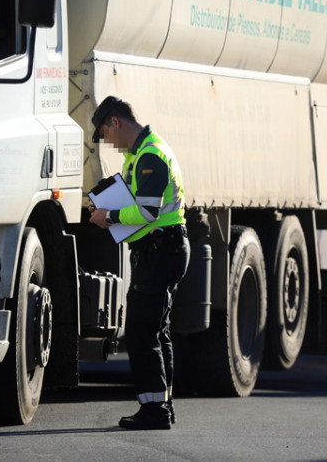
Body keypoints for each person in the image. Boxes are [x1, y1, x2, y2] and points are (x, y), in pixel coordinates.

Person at [88, 96, 189, 430]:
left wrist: (109, 216)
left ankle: (155, 410)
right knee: (156, 331)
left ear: (116, 122)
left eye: (105, 134)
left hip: (161, 251)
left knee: (142, 332)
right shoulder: (142, 153)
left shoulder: (149, 156)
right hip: (162, 250)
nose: (108, 143)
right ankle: (162, 405)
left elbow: (147, 212)